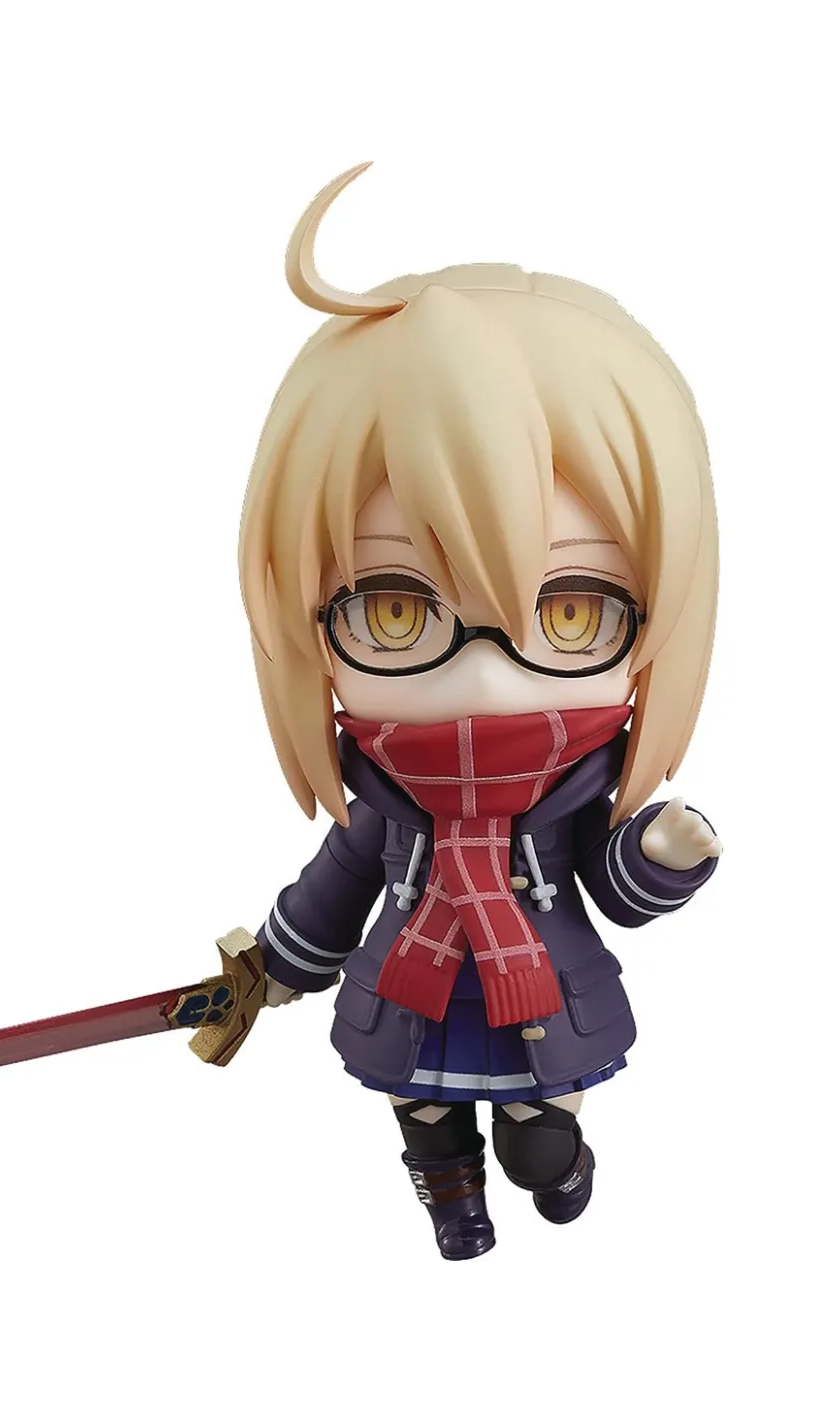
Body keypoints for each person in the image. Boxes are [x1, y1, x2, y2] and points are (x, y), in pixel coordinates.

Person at [238, 164, 721, 1262]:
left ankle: (553, 1160)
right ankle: (450, 1199)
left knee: (538, 1132)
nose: (492, 677)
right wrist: (271, 966)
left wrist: (662, 853)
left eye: (570, 611)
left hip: (546, 1002)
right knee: (422, 1114)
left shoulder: (576, 790)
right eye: (395, 609)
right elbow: (336, 884)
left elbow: (611, 887)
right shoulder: (383, 798)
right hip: (401, 1005)